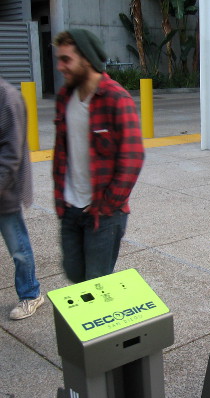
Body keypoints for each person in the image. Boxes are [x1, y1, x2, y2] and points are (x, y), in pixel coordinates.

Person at [52, 29, 144, 283]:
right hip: (71, 207)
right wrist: (61, 198)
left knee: (95, 283)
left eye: (66, 60)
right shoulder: (64, 97)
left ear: (86, 59)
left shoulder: (116, 99)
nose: (60, 67)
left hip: (104, 215)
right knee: (74, 275)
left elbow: (133, 157)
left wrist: (106, 204)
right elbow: (62, 152)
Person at [0, 76, 44, 320]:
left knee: (18, 247)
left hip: (5, 192)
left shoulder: (7, 97)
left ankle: (31, 294)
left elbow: (11, 154)